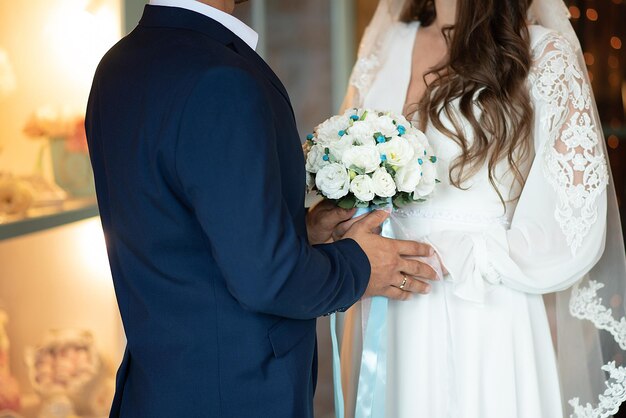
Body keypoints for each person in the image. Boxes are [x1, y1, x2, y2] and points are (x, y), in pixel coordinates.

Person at [85, 0, 440, 417]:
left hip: (156, 390)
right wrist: (360, 266)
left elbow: (173, 225)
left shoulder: (117, 64)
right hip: (236, 396)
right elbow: (268, 280)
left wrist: (299, 231)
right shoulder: (220, 77)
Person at [336, 0, 626, 417]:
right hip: (384, 312)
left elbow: (575, 224)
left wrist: (458, 253)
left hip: (484, 314)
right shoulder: (386, 44)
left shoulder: (542, 53)